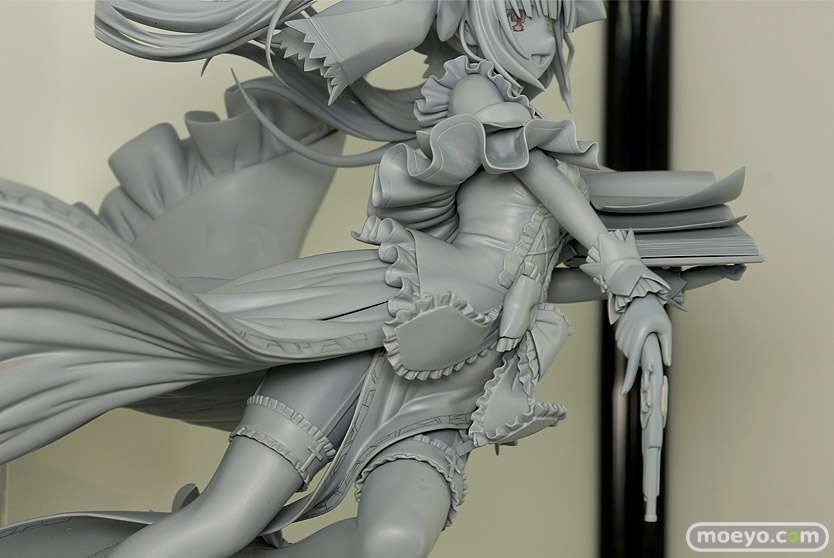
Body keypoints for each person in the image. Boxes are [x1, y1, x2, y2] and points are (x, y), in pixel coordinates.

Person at [0, 2, 683, 557]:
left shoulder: (519, 127)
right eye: (523, 17)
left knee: (391, 542)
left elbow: (534, 274)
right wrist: (622, 267)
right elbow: (540, 182)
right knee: (223, 522)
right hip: (384, 334)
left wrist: (640, 293)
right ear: (481, 21)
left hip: (452, 385)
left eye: (553, 27)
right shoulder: (477, 93)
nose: (542, 42)